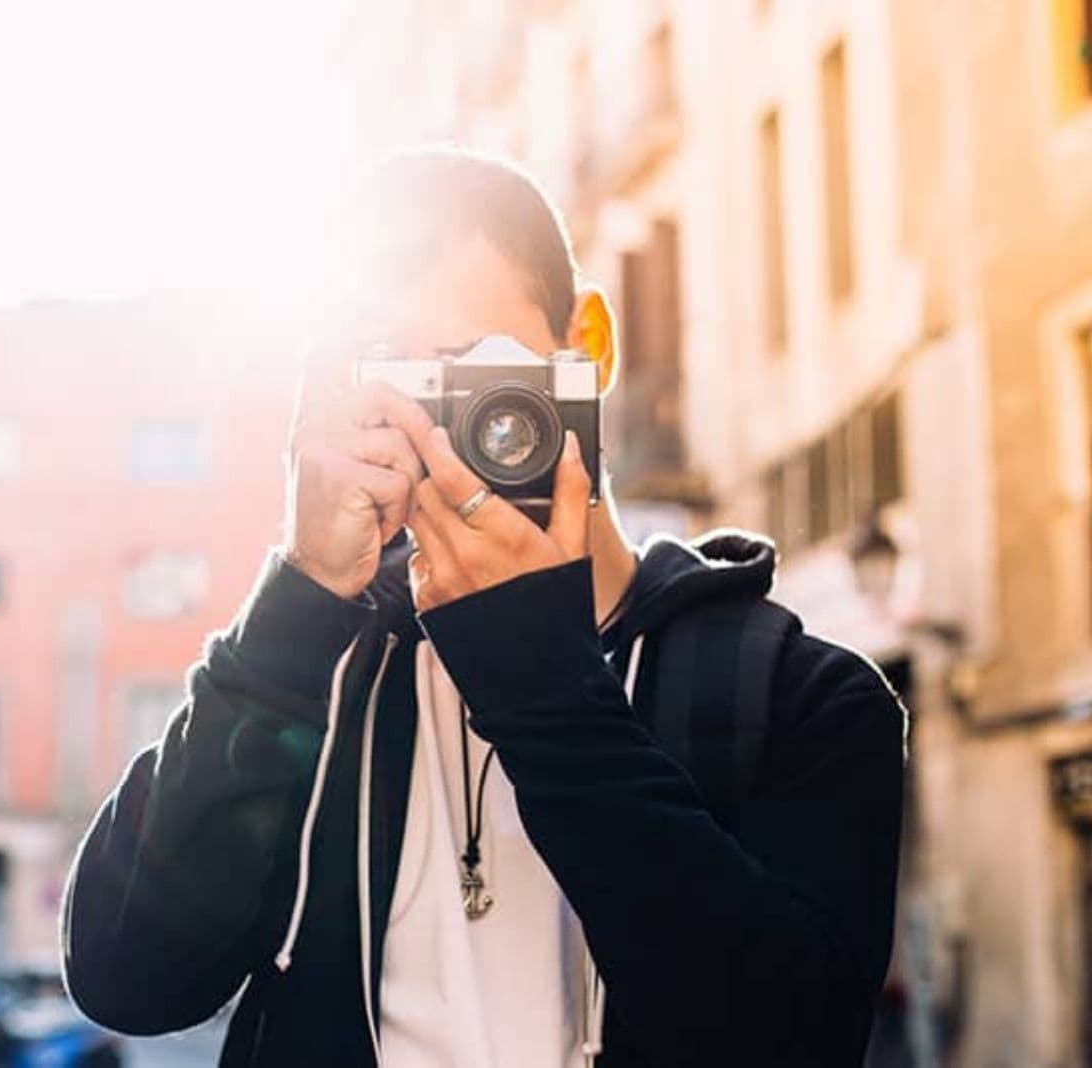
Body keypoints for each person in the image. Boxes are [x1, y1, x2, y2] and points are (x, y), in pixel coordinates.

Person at [59, 147, 905, 1067]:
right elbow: (128, 978)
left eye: (468, 371)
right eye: (392, 378)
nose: (433, 426)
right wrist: (300, 600)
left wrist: (537, 678)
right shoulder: (318, 676)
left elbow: (791, 1040)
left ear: (585, 348)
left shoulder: (803, 701)